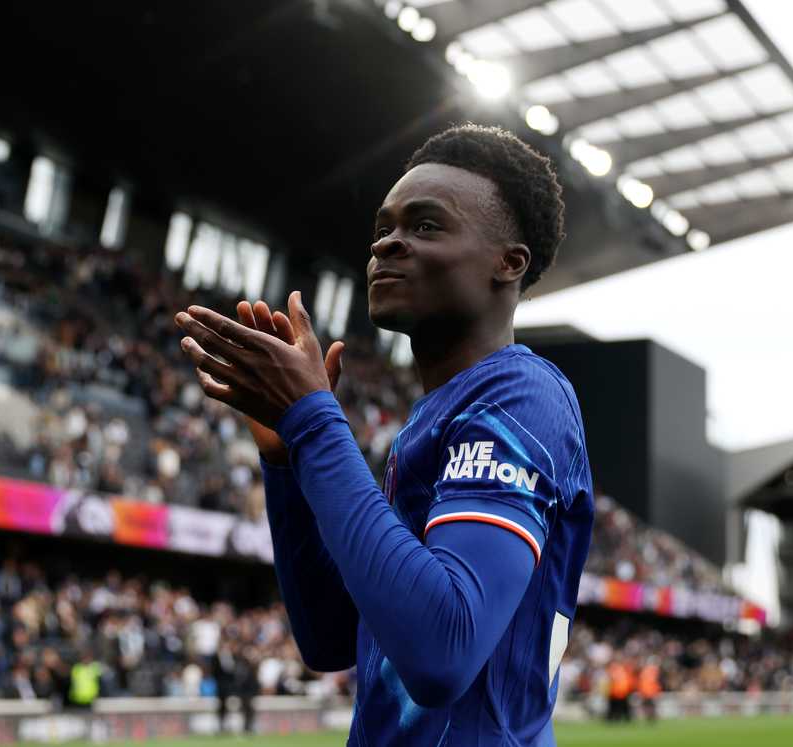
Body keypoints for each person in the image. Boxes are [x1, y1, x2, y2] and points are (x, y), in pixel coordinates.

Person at [175, 124, 594, 745]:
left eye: (425, 226)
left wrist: (317, 421)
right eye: (384, 229)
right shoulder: (432, 420)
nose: (387, 246)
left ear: (510, 263)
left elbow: (441, 650)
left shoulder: (521, 395)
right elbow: (330, 636)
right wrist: (287, 460)